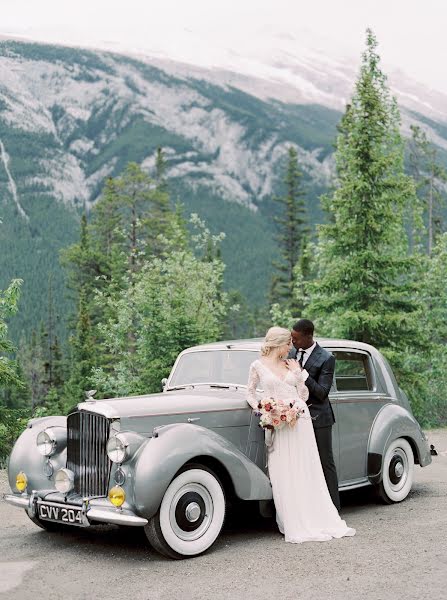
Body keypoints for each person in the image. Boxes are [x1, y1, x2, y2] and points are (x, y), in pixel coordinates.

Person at [246, 326, 355, 544]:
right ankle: (291, 518)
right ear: (279, 344)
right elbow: (249, 392)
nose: (291, 347)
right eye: (288, 343)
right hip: (278, 422)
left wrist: (297, 375)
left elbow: (303, 395)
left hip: (299, 420)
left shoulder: (291, 363)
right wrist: (264, 407)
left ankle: (313, 516)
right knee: (282, 470)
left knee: (305, 468)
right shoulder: (257, 365)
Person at [289, 318, 340, 510]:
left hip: (319, 418)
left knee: (325, 462)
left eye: (297, 339)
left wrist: (302, 373)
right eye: (292, 338)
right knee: (303, 462)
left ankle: (334, 507)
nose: (293, 343)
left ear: (308, 336)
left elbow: (321, 393)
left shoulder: (326, 358)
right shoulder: (292, 353)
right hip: (296, 417)